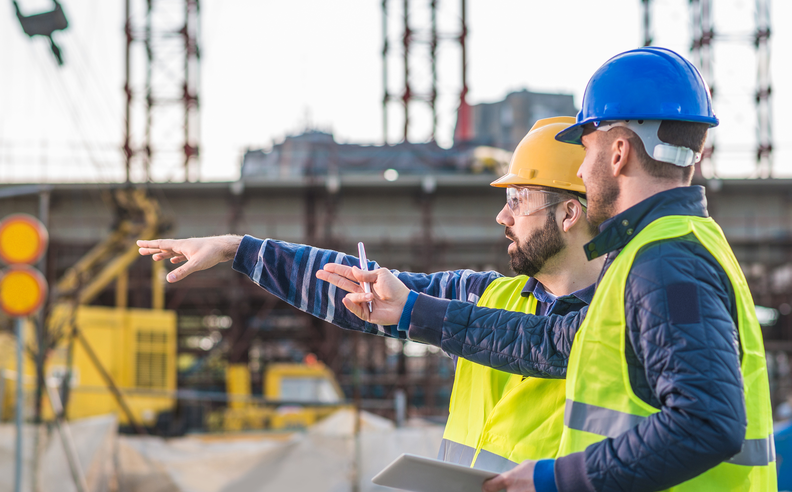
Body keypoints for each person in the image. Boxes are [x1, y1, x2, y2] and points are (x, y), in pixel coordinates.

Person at [322, 47, 776, 492]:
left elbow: (706, 423)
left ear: (618, 153)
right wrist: (412, 311)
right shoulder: (659, 249)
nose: (581, 168)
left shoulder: (668, 263)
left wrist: (555, 479)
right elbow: (551, 342)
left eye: (585, 149)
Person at [137, 116, 603, 473]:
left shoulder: (624, 318)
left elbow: (549, 342)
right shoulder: (482, 296)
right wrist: (238, 250)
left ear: (567, 213)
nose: (502, 217)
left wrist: (414, 310)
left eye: (517, 201)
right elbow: (360, 289)